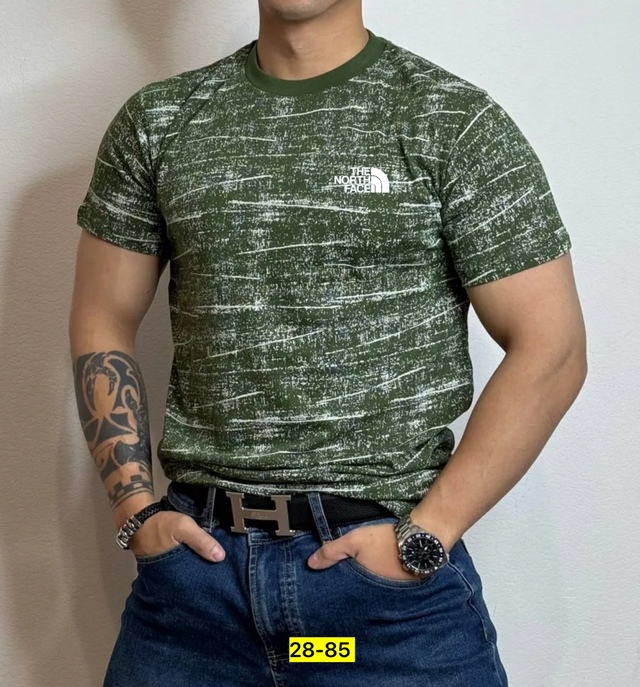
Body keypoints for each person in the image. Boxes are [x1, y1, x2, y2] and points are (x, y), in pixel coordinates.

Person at [69, 1, 587, 685]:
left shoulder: (453, 120)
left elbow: (552, 346)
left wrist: (426, 535)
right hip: (195, 600)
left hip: (385, 609)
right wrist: (134, 511)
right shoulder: (158, 121)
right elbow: (102, 317)